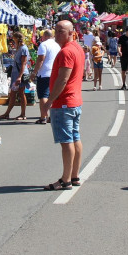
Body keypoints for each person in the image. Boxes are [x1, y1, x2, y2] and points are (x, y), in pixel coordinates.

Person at [43, 20, 85, 190]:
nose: (57, 34)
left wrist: (50, 101)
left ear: (70, 33)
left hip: (64, 103)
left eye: (61, 31)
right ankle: (74, 176)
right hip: (74, 102)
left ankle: (65, 180)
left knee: (67, 141)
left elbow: (63, 79)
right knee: (74, 138)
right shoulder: (76, 48)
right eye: (56, 30)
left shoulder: (66, 52)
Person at [0, 32, 30, 121]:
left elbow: (24, 63)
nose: (12, 40)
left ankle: (23, 114)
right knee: (13, 94)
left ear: (16, 38)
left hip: (21, 74)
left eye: (13, 38)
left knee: (21, 93)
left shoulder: (23, 48)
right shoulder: (19, 48)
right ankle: (7, 113)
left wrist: (19, 77)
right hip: (16, 73)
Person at [31, 29, 60, 124]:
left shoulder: (43, 45)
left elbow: (40, 60)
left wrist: (34, 72)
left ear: (45, 36)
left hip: (44, 73)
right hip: (54, 72)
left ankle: (43, 117)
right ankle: (51, 116)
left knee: (43, 95)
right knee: (52, 95)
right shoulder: (57, 45)